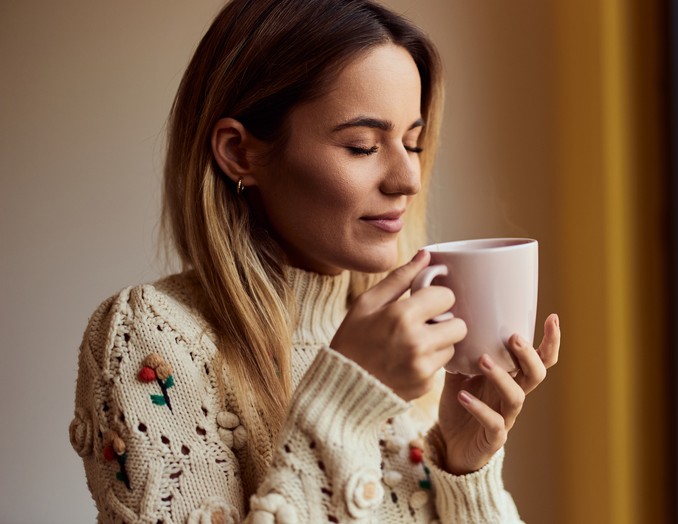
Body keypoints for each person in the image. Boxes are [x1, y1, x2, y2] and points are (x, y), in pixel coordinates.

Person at [67, 0, 560, 522]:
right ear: (239, 151)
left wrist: (465, 470)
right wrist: (342, 403)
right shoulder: (152, 339)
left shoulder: (408, 343)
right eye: (363, 146)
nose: (408, 180)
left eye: (412, 144)